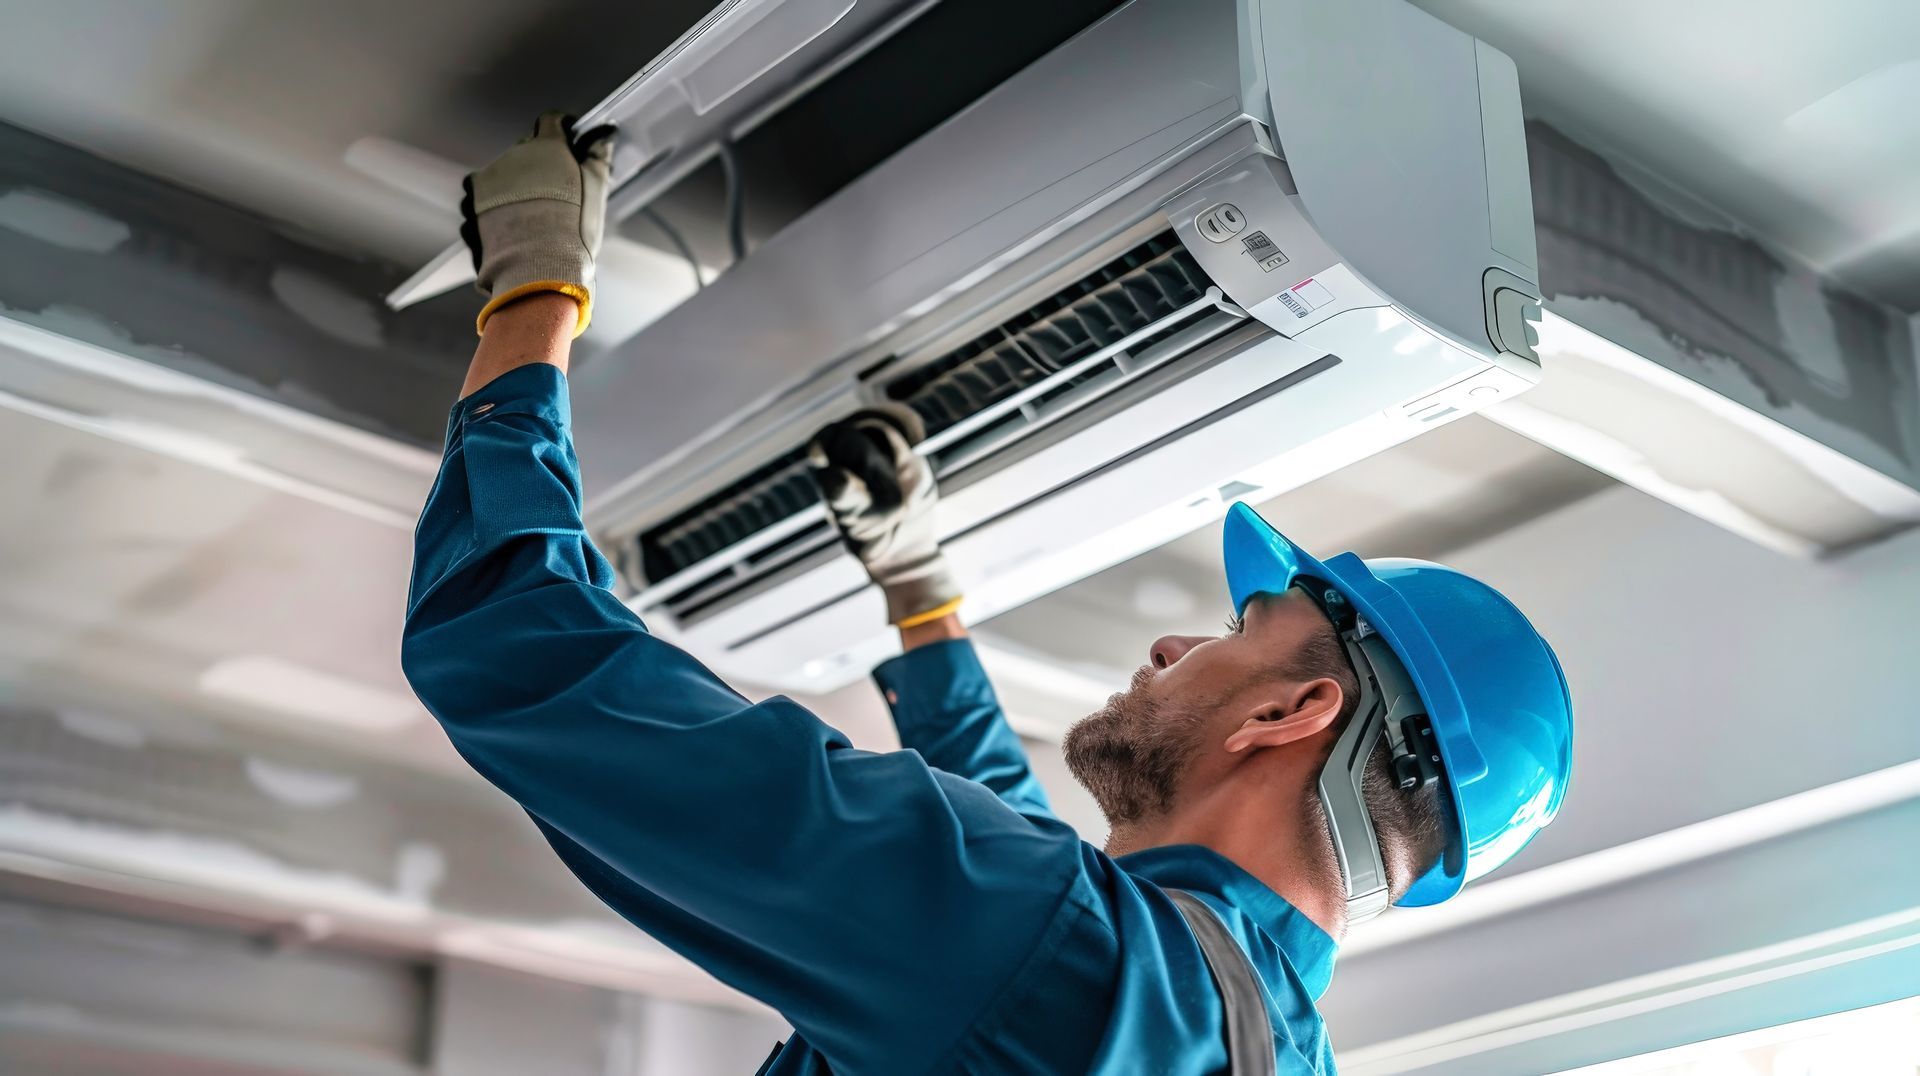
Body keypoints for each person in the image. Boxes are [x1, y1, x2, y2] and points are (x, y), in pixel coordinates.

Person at [403, 114, 1574, 1075]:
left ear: (1291, 712)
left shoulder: (1077, 967)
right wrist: (920, 597)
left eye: (1236, 629)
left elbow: (517, 647)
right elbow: (1012, 880)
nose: (1175, 641)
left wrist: (533, 292)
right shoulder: (1245, 1036)